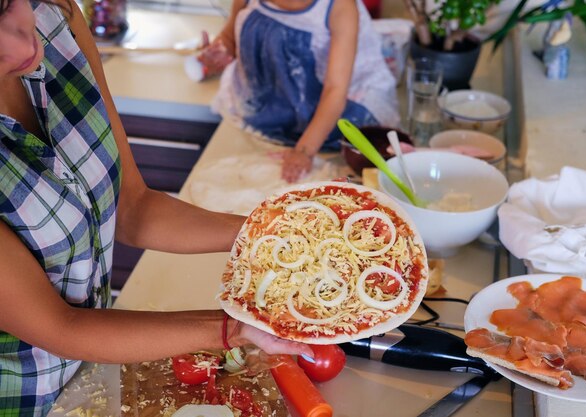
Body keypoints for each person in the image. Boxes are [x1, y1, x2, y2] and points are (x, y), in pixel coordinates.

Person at [0, 0, 313, 415]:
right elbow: (62, 327)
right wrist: (235, 328)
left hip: (90, 373)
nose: (21, 45)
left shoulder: (59, 21)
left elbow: (134, 209)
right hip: (25, 400)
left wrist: (280, 234)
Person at [197, 0, 400, 183]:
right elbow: (230, 39)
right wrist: (217, 54)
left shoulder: (339, 7)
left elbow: (335, 90)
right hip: (263, 106)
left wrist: (304, 151)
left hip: (326, 117)